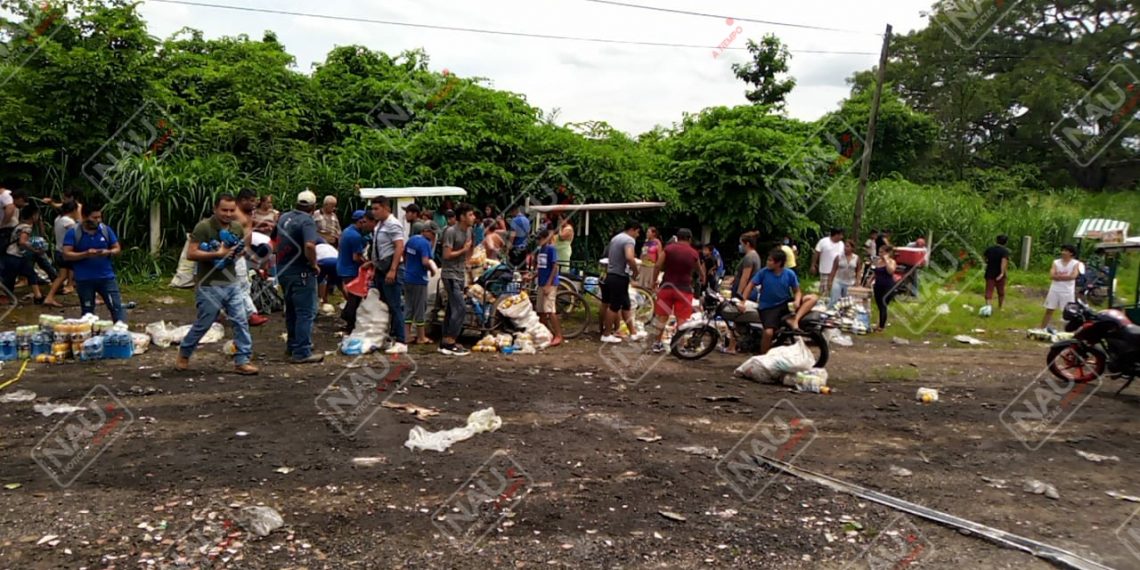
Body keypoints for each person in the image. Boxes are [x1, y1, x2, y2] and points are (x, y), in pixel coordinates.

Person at [175, 195, 257, 375]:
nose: (228, 214)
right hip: (209, 284)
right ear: (215, 209)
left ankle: (242, 359)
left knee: (240, 321)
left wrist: (238, 252)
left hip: (232, 282)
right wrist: (217, 254)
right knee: (204, 323)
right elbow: (191, 253)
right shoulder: (204, 227)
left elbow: (241, 250)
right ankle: (185, 353)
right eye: (224, 210)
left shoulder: (236, 227)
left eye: (231, 210)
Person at [274, 190, 324, 364]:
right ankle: (302, 351)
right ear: (313, 207)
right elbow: (309, 245)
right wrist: (314, 264)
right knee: (305, 312)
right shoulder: (307, 220)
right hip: (301, 271)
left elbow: (275, 240)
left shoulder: (284, 217)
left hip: (283, 270)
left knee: (292, 311)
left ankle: (292, 345)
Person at [738, 248, 817, 354]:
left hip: (785, 303)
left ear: (778, 263)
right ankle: (763, 355)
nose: (768, 263)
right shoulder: (764, 273)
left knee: (813, 298)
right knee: (768, 333)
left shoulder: (789, 274)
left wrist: (797, 301)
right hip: (769, 307)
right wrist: (743, 301)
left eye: (770, 261)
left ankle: (795, 320)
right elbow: (750, 285)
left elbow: (797, 291)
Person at [651, 228, 700, 353]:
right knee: (682, 320)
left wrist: (654, 281)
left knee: (662, 317)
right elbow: (698, 269)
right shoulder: (693, 253)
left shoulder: (668, 249)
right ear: (689, 239)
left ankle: (657, 343)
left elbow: (657, 265)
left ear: (677, 238)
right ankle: (680, 347)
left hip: (666, 288)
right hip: (684, 290)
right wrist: (702, 278)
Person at [370, 197, 408, 354]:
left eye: (377, 208)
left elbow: (399, 246)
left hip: (391, 268)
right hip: (380, 267)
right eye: (373, 209)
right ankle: (386, 337)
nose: (374, 212)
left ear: (386, 208)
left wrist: (393, 269)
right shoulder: (380, 225)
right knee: (384, 305)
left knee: (395, 305)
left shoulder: (393, 224)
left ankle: (401, 340)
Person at [439, 204, 475, 356]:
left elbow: (468, 253)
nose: (473, 218)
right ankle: (451, 341)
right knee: (460, 308)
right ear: (462, 217)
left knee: (451, 308)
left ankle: (446, 340)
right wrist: (463, 250)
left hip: (460, 274)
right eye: (470, 215)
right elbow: (446, 255)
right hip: (450, 274)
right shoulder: (451, 231)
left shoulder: (469, 231)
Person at [601, 221, 645, 344]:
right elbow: (629, 257)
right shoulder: (629, 240)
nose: (637, 235)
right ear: (633, 229)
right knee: (614, 307)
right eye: (637, 232)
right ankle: (606, 334)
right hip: (619, 276)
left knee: (626, 305)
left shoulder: (616, 238)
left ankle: (633, 333)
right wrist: (635, 271)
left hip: (612, 274)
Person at [234, 189, 269, 326]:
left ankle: (219, 312)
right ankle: (250, 314)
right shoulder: (234, 214)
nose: (255, 204)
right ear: (243, 200)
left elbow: (247, 226)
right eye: (252, 201)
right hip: (236, 254)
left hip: (243, 253)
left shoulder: (246, 214)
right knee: (241, 285)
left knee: (238, 285)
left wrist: (259, 225)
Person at [338, 210, 376, 334]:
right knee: (355, 297)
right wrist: (368, 263)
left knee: (352, 297)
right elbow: (356, 257)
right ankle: (349, 322)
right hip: (351, 269)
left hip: (343, 267)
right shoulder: (355, 236)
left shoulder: (347, 231)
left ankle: (348, 319)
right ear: (360, 221)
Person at [5, 205, 48, 303]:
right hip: (15, 255)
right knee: (13, 277)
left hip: (14, 255)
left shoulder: (19, 225)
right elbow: (22, 242)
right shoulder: (26, 228)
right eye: (37, 215)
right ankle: (37, 296)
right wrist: (34, 250)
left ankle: (38, 296)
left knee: (30, 274)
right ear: (33, 216)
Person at [404, 222, 438, 345]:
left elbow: (405, 255)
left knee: (408, 306)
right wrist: (433, 270)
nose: (434, 236)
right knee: (420, 308)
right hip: (419, 279)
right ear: (427, 231)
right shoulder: (425, 244)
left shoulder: (412, 239)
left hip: (408, 277)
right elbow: (425, 261)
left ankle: (406, 335)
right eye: (433, 233)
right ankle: (421, 337)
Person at [43, 200, 79, 307]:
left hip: (59, 251)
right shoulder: (69, 222)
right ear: (73, 210)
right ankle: (92, 297)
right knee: (83, 272)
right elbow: (77, 234)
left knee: (62, 276)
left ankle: (49, 297)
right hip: (68, 253)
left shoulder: (58, 219)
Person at [1042, 244, 1080, 331]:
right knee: (1049, 309)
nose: (1063, 252)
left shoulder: (1075, 263)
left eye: (1066, 251)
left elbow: (1073, 276)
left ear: (1071, 253)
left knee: (1067, 312)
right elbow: (1051, 275)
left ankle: (1066, 330)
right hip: (1055, 289)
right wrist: (1063, 277)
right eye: (1063, 250)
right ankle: (1042, 327)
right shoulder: (1056, 262)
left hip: (1067, 290)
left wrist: (1059, 277)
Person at [535, 227, 563, 347]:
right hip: (541, 282)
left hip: (549, 284)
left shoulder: (551, 249)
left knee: (550, 310)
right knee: (541, 310)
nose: (539, 241)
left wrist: (548, 284)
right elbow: (541, 267)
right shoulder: (540, 250)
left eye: (540, 238)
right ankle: (546, 333)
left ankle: (558, 335)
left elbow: (555, 267)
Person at [811, 228, 846, 296]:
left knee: (836, 291)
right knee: (824, 291)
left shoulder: (841, 244)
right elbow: (816, 253)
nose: (842, 237)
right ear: (836, 235)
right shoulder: (823, 241)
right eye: (841, 235)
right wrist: (813, 265)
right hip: (825, 270)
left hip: (838, 272)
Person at [872, 245, 898, 332]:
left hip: (888, 286)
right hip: (878, 285)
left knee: (883, 304)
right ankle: (879, 323)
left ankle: (881, 327)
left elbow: (891, 271)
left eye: (882, 252)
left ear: (887, 253)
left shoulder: (891, 261)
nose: (880, 254)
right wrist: (869, 281)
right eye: (879, 252)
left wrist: (886, 260)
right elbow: (875, 272)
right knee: (879, 305)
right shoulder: (878, 261)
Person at [984, 235, 1011, 311]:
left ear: (996, 240)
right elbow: (1004, 262)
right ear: (1006, 242)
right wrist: (1002, 273)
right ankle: (1000, 307)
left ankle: (988, 307)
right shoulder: (1004, 251)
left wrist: (988, 263)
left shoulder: (989, 249)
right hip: (999, 273)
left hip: (989, 272)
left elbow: (985, 259)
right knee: (1001, 291)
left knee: (989, 291)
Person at [830, 240, 860, 307]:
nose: (845, 248)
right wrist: (830, 282)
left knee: (847, 301)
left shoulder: (856, 258)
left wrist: (857, 281)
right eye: (845, 246)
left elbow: (858, 270)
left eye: (847, 246)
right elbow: (833, 270)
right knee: (834, 299)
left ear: (852, 248)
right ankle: (831, 312)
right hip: (838, 281)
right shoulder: (839, 257)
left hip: (850, 282)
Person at [316, 238, 340, 306]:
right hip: (337, 261)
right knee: (340, 283)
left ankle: (318, 300)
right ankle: (350, 302)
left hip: (323, 261)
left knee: (319, 281)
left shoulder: (315, 247)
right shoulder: (329, 247)